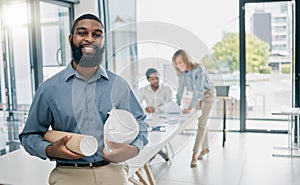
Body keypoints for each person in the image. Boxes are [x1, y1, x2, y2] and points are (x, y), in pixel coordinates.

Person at [19, 14, 148, 185]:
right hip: (68, 175)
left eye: (97, 34)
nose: (90, 39)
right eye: (82, 33)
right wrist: (50, 150)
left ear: (103, 42)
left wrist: (133, 149)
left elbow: (141, 125)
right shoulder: (49, 89)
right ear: (71, 39)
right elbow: (29, 135)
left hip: (112, 172)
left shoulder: (119, 85)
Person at [172, 49, 216, 168]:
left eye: (180, 62)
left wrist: (190, 107)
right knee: (202, 122)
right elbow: (180, 92)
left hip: (208, 94)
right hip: (198, 97)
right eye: (176, 63)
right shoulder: (182, 75)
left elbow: (198, 91)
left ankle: (194, 155)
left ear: (186, 60)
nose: (179, 65)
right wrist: (176, 107)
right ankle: (205, 148)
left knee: (201, 124)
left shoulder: (199, 69)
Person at [137, 68, 172, 161]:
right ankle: (159, 152)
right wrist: (146, 108)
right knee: (149, 136)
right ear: (148, 80)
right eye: (152, 79)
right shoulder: (143, 90)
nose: (155, 81)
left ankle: (152, 154)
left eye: (157, 78)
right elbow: (138, 104)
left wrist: (156, 109)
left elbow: (169, 104)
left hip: (164, 119)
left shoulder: (166, 88)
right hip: (150, 119)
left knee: (158, 136)